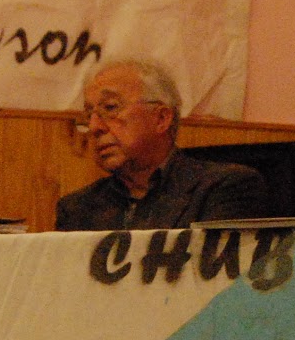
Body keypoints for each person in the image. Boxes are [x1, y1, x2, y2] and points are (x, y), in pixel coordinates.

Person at [55, 59, 270, 231]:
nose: (94, 127)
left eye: (110, 108)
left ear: (161, 119)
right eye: (88, 115)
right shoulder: (77, 209)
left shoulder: (223, 189)